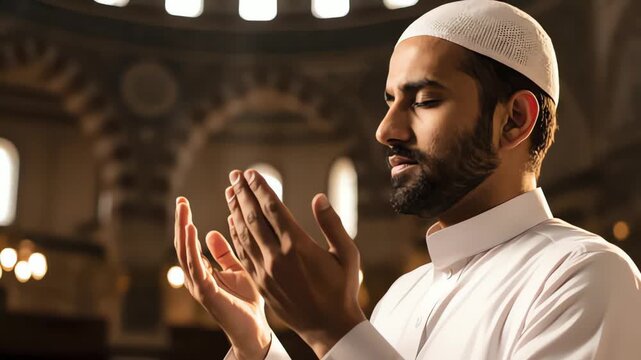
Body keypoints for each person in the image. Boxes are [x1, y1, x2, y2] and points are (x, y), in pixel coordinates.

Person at [173, 1, 641, 359]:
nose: (386, 130)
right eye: (390, 100)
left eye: (425, 100)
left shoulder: (583, 276)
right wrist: (258, 342)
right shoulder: (403, 295)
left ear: (514, 119)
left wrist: (333, 330)